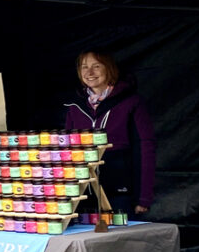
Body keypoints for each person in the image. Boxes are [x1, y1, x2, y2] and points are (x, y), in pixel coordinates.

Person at [64, 51, 157, 216]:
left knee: (120, 239)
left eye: (96, 66)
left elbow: (145, 148)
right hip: (84, 193)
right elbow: (67, 151)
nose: (89, 73)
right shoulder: (74, 106)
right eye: (84, 67)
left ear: (109, 69)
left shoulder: (131, 102)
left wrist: (143, 197)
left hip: (120, 192)